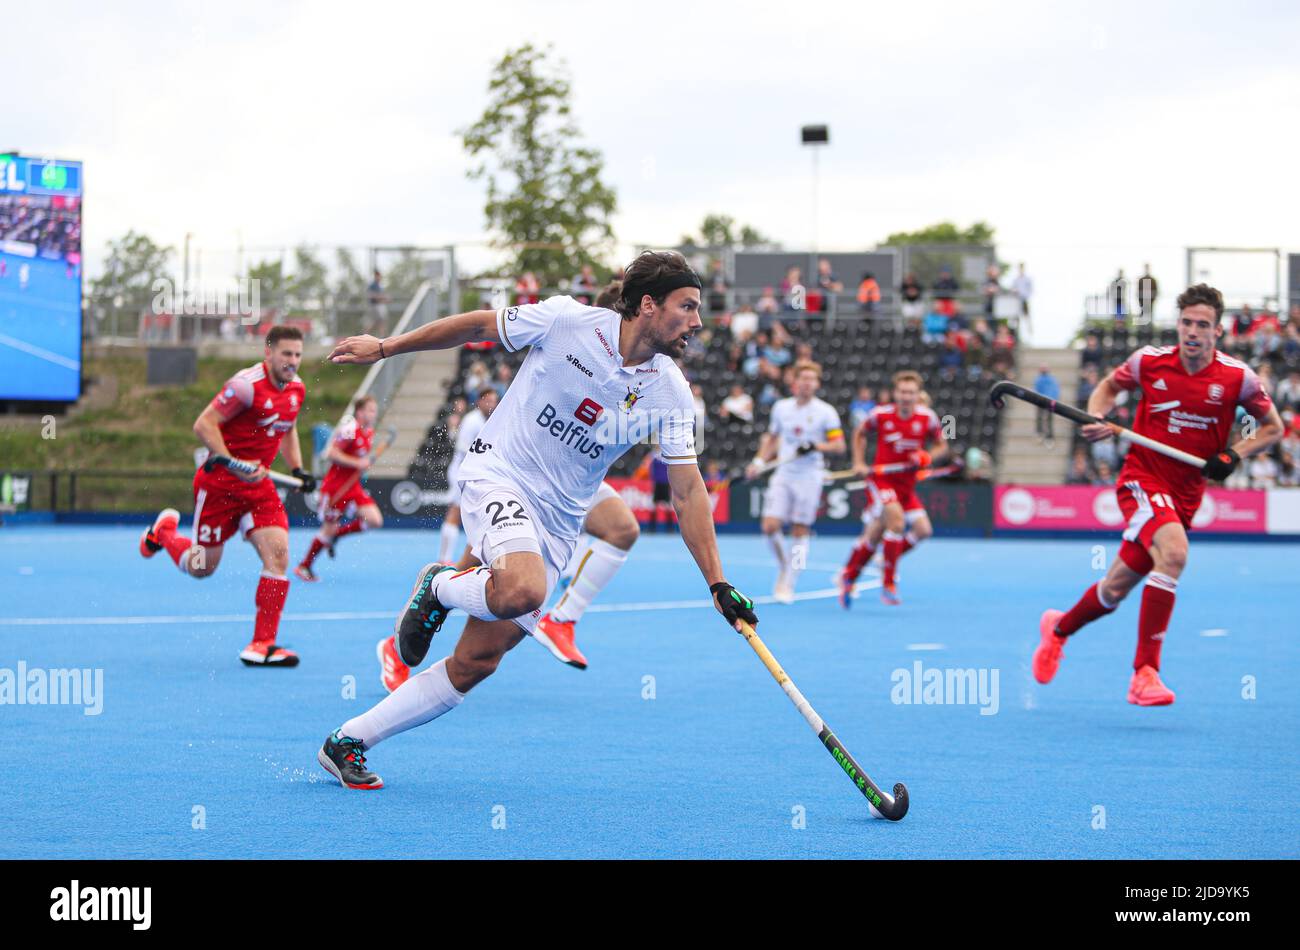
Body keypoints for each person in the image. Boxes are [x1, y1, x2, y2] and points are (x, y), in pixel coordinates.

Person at [318, 250, 759, 790]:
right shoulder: (567, 320)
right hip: (499, 473)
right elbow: (478, 326)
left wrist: (718, 582)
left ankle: (348, 741)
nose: (697, 321)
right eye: (687, 306)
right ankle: (440, 586)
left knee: (478, 661)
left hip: (559, 521)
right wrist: (386, 348)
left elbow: (687, 490)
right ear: (648, 304)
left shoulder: (669, 389)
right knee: (523, 590)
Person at [1033, 284, 1283, 706]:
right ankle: (1144, 674)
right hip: (1142, 478)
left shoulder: (1237, 378)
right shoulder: (1148, 361)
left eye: (1202, 325)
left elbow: (1273, 426)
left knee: (1115, 588)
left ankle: (1058, 629)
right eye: (1186, 322)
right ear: (1178, 324)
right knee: (1175, 554)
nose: (1192, 331)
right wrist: (1098, 416)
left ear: (1217, 331)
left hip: (1186, 492)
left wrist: (1233, 455)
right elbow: (1109, 388)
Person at [138, 326, 316, 666]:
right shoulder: (244, 386)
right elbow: (204, 425)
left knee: (278, 555)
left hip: (259, 488)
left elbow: (288, 428)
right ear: (268, 352)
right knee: (202, 567)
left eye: (297, 355)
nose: (292, 361)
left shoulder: (297, 389)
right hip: (219, 486)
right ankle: (163, 534)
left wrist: (297, 469)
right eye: (286, 354)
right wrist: (234, 464)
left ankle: (261, 644)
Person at [839, 370, 950, 607]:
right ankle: (888, 583)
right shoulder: (880, 414)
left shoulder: (927, 417)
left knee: (920, 530)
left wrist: (925, 457)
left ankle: (850, 574)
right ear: (895, 393)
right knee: (896, 522)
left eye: (911, 392)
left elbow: (942, 446)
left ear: (918, 394)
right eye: (902, 392)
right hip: (882, 481)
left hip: (906, 485)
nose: (906, 397)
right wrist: (859, 462)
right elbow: (859, 433)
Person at [746, 361, 845, 603]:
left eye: (812, 379)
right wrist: (759, 461)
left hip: (810, 477)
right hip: (784, 473)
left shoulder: (826, 412)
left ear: (817, 384)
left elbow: (839, 446)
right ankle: (785, 565)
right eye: (803, 378)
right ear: (795, 382)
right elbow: (772, 438)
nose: (807, 383)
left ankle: (789, 581)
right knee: (769, 526)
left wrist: (815, 446)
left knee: (800, 531)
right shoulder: (781, 408)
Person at [295, 395, 385, 581]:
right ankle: (304, 566)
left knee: (375, 520)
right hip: (336, 488)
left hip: (353, 487)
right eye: (370, 410)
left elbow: (360, 460)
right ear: (359, 412)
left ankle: (337, 535)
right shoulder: (349, 430)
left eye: (374, 411)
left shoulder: (368, 432)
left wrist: (362, 463)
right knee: (327, 529)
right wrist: (357, 462)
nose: (374, 414)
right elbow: (331, 453)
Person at [437, 388, 499, 565]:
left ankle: (472, 560)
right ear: (479, 401)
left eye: (494, 401)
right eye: (488, 400)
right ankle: (444, 560)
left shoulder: (490, 420)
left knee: (478, 519)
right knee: (454, 513)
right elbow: (465, 449)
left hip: (474, 474)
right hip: (461, 472)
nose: (492, 404)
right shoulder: (472, 420)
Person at [1033, 366, 1060, 444]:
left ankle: (1049, 435)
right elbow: (1037, 390)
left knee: (1048, 419)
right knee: (1040, 418)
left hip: (1049, 401)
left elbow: (1055, 390)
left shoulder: (1051, 379)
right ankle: (1040, 433)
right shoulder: (1039, 379)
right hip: (1041, 401)